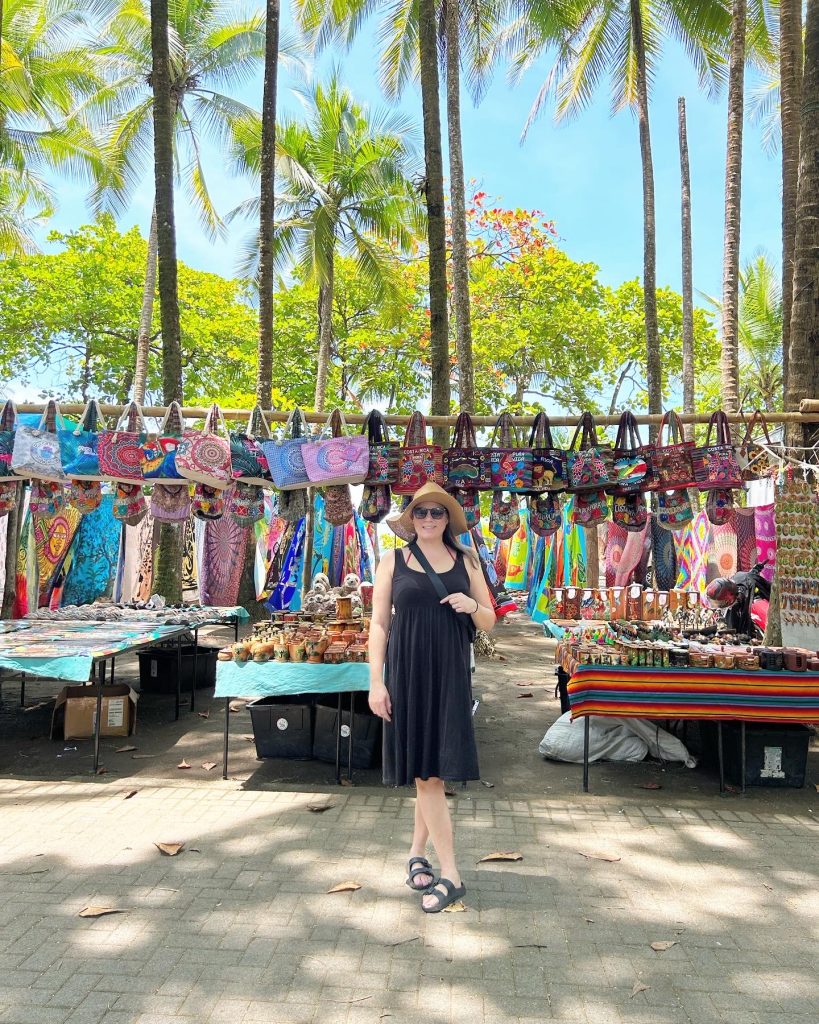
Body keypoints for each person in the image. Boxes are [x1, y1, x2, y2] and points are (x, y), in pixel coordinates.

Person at [368, 482, 496, 913]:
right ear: (410, 519)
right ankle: (436, 864)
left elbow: (490, 620)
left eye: (436, 513)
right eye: (419, 513)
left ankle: (447, 872)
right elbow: (380, 626)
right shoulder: (392, 561)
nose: (427, 519)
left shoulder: (467, 560)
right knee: (427, 774)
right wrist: (376, 681)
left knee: (432, 774)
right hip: (405, 674)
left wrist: (468, 604)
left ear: (447, 519)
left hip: (448, 673)